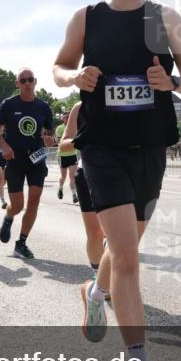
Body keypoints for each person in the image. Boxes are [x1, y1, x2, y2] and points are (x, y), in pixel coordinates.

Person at [53, 0, 181, 361]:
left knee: (126, 248)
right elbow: (58, 66)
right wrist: (74, 77)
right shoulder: (87, 18)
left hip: (150, 148)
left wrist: (172, 81)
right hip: (102, 150)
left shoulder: (164, 18)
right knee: (128, 257)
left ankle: (95, 294)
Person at [0, 67, 56, 259]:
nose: (27, 83)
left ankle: (21, 243)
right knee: (18, 205)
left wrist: (50, 139)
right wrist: (4, 146)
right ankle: (9, 216)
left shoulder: (43, 107)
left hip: (37, 158)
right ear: (17, 84)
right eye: (23, 80)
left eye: (30, 80)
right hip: (15, 159)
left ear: (35, 82)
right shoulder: (9, 105)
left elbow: (51, 135)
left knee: (34, 201)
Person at [60, 103, 106, 281]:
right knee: (95, 232)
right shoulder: (80, 107)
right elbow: (64, 144)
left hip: (123, 173)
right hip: (88, 173)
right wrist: (81, 138)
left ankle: (108, 275)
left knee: (116, 234)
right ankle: (99, 278)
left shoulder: (126, 99)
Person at [55, 110, 79, 203]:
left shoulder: (76, 127)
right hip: (62, 155)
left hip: (73, 154)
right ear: (63, 119)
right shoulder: (60, 128)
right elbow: (57, 142)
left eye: (70, 117)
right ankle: (60, 189)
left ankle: (74, 194)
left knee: (73, 175)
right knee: (63, 176)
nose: (68, 119)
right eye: (66, 117)